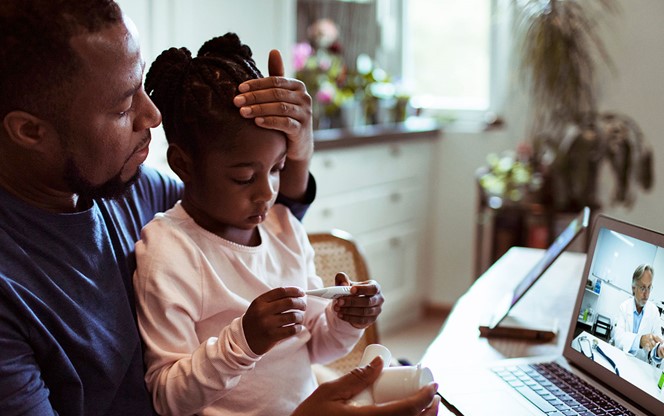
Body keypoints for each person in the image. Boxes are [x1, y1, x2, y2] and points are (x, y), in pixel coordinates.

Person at [0, 1, 438, 415]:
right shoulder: (12, 296)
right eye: (122, 107)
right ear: (29, 131)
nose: (153, 115)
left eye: (142, 89)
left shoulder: (129, 187)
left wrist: (297, 151)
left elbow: (242, 236)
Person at [134, 33, 382, 416]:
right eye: (244, 177)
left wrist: (344, 321)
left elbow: (315, 348)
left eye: (278, 169)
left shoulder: (283, 228)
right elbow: (169, 398)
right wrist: (245, 340)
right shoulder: (170, 251)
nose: (267, 193)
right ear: (182, 163)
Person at [614, 264, 664, 365]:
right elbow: (618, 338)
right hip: (620, 360)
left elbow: (656, 345)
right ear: (633, 288)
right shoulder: (624, 307)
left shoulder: (654, 312)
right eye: (642, 288)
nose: (647, 294)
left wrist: (658, 351)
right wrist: (639, 341)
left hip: (640, 366)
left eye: (649, 287)